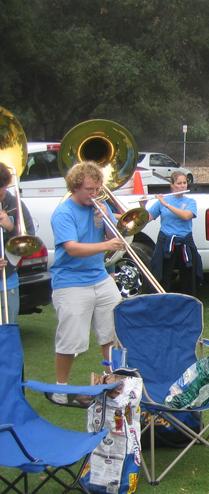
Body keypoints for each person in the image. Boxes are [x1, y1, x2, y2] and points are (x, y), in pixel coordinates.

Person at [49, 161, 125, 405]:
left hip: (99, 277)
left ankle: (113, 381)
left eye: (97, 188)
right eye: (90, 190)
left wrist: (110, 220)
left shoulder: (98, 207)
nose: (95, 194)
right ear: (75, 187)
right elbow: (72, 248)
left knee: (111, 332)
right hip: (70, 282)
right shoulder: (63, 212)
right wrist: (106, 246)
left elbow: (115, 238)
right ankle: (61, 388)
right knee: (70, 340)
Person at [144, 171, 201, 295]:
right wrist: (142, 205)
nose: (182, 186)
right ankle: (162, 303)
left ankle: (188, 303)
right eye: (179, 183)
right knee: (163, 276)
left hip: (185, 242)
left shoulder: (190, 201)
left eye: (184, 183)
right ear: (172, 185)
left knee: (188, 277)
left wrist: (167, 205)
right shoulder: (162, 201)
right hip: (166, 242)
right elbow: (146, 219)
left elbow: (186, 216)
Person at [0, 163, 35, 324]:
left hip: (7, 278)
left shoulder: (15, 204)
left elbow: (30, 244)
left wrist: (11, 228)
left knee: (8, 329)